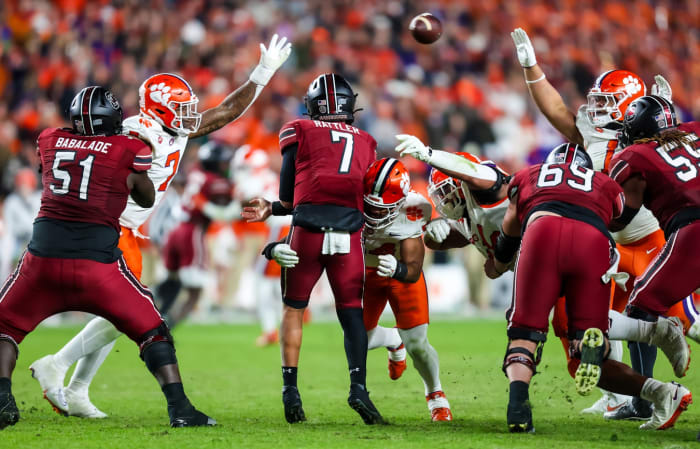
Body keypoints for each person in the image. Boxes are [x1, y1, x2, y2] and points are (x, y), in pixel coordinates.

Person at [28, 34, 292, 418]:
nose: (189, 114)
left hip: (126, 230)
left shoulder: (174, 128)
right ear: (157, 110)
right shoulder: (135, 133)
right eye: (180, 108)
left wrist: (262, 73)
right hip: (108, 226)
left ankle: (78, 387)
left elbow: (225, 112)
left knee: (116, 315)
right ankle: (58, 363)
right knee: (129, 310)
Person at [0, 87, 214, 429]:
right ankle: (181, 408)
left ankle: (2, 398)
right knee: (153, 331)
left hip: (41, 258)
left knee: (4, 327)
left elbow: (53, 166)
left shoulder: (50, 139)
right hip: (97, 263)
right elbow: (145, 199)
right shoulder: (127, 148)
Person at [510, 27, 695, 419]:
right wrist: (532, 70)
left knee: (660, 315)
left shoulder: (646, 139)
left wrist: (661, 114)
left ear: (632, 106)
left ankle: (643, 396)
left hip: (648, 238)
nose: (595, 109)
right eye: (597, 101)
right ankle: (626, 395)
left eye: (608, 102)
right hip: (604, 240)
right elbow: (558, 112)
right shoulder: (591, 131)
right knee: (586, 321)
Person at [485, 143, 691, 433]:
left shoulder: (529, 174)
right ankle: (594, 343)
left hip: (542, 231)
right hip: (592, 240)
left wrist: (498, 262)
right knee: (588, 334)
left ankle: (518, 406)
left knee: (524, 333)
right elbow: (619, 218)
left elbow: (510, 227)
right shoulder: (604, 182)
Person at [242, 73, 383, 425]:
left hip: (307, 232)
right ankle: (359, 387)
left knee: (293, 308)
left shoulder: (298, 130)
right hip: (350, 234)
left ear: (313, 106)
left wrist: (273, 207)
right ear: (350, 105)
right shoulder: (367, 140)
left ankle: (291, 391)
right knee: (352, 313)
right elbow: (367, 198)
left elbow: (290, 198)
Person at [606, 95, 699, 380]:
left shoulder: (633, 157)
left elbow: (621, 217)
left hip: (693, 229)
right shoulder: (694, 130)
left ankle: (644, 397)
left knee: (640, 310)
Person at [362, 158, 452, 421]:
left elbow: (412, 271)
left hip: (400, 272)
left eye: (383, 208)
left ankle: (435, 393)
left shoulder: (414, 207)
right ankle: (392, 339)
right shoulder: (351, 198)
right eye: (370, 205)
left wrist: (397, 270)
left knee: (418, 345)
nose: (375, 213)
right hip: (366, 272)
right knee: (358, 342)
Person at [155, 141, 236, 326]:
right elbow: (221, 213)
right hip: (192, 232)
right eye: (223, 162)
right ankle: (165, 329)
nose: (225, 166)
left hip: (175, 230)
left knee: (171, 280)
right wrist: (238, 205)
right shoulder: (216, 182)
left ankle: (150, 313)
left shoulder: (195, 174)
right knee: (195, 291)